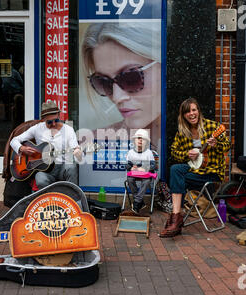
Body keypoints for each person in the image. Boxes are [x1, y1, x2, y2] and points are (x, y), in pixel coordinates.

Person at [81, 22, 162, 147]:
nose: (117, 97)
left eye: (131, 78)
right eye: (103, 82)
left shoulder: (197, 138)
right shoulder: (94, 144)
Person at [159, 98, 231, 238]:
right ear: (183, 115)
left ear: (198, 111)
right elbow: (174, 152)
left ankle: (175, 219)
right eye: (188, 111)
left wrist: (216, 144)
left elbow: (227, 146)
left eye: (194, 110)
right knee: (175, 169)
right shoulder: (183, 132)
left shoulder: (212, 127)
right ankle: (177, 216)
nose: (191, 114)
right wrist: (186, 154)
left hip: (211, 172)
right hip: (193, 170)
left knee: (177, 179)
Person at [10, 101, 82, 189]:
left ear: (59, 115)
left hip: (62, 167)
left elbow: (75, 151)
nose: (54, 124)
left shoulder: (68, 130)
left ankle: (73, 199)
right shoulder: (37, 129)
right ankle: (50, 201)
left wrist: (78, 153)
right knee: (40, 178)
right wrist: (21, 148)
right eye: (49, 122)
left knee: (71, 167)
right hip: (45, 170)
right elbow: (14, 140)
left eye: (56, 120)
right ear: (43, 119)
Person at [126, 129, 156, 213]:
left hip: (145, 175)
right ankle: (139, 202)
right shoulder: (131, 152)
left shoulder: (149, 153)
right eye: (138, 138)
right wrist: (130, 167)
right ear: (134, 140)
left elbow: (153, 165)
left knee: (146, 182)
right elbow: (127, 165)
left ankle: (136, 202)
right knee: (130, 179)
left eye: (143, 139)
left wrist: (146, 168)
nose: (140, 140)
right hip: (134, 174)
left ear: (146, 142)